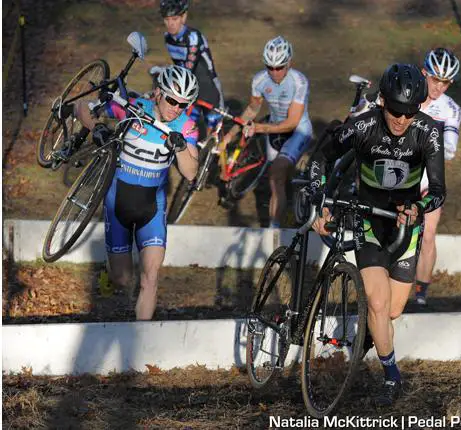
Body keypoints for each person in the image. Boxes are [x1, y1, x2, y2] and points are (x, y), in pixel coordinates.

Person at [309, 63, 445, 406]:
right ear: (383, 101)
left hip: (404, 229)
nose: (401, 120)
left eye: (410, 113)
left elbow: (439, 190)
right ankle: (391, 376)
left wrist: (419, 206)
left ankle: (366, 344)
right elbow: (320, 158)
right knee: (378, 304)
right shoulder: (364, 126)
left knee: (393, 311)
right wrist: (320, 203)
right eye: (396, 111)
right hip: (368, 222)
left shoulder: (428, 132)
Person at [75, 65, 200, 320]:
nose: (176, 108)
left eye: (183, 104)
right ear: (158, 93)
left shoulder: (186, 126)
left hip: (151, 209)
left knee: (150, 278)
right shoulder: (134, 108)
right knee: (122, 279)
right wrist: (96, 126)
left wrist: (179, 148)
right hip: (117, 201)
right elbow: (81, 108)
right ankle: (109, 276)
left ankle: (139, 348)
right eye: (172, 100)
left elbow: (190, 172)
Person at [222, 35, 313, 228]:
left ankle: (274, 230)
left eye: (279, 67)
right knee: (279, 180)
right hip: (274, 131)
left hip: (297, 131)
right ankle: (285, 213)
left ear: (289, 63)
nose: (274, 72)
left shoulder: (299, 82)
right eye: (269, 67)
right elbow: (252, 110)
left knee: (276, 173)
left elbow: (291, 122)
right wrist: (231, 134)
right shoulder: (259, 80)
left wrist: (260, 128)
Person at [414, 47, 461, 305]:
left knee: (428, 233)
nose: (439, 87)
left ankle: (421, 292)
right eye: (435, 79)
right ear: (424, 74)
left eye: (445, 82)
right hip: (397, 171)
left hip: (427, 178)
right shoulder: (408, 93)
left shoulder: (451, 109)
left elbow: (450, 149)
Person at [158, 0, 225, 139]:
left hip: (208, 86)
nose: (170, 24)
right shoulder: (167, 38)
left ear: (184, 17)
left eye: (175, 18)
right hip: (188, 86)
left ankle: (216, 158)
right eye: (167, 19)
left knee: (213, 130)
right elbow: (178, 65)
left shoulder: (193, 37)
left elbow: (188, 66)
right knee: (183, 125)